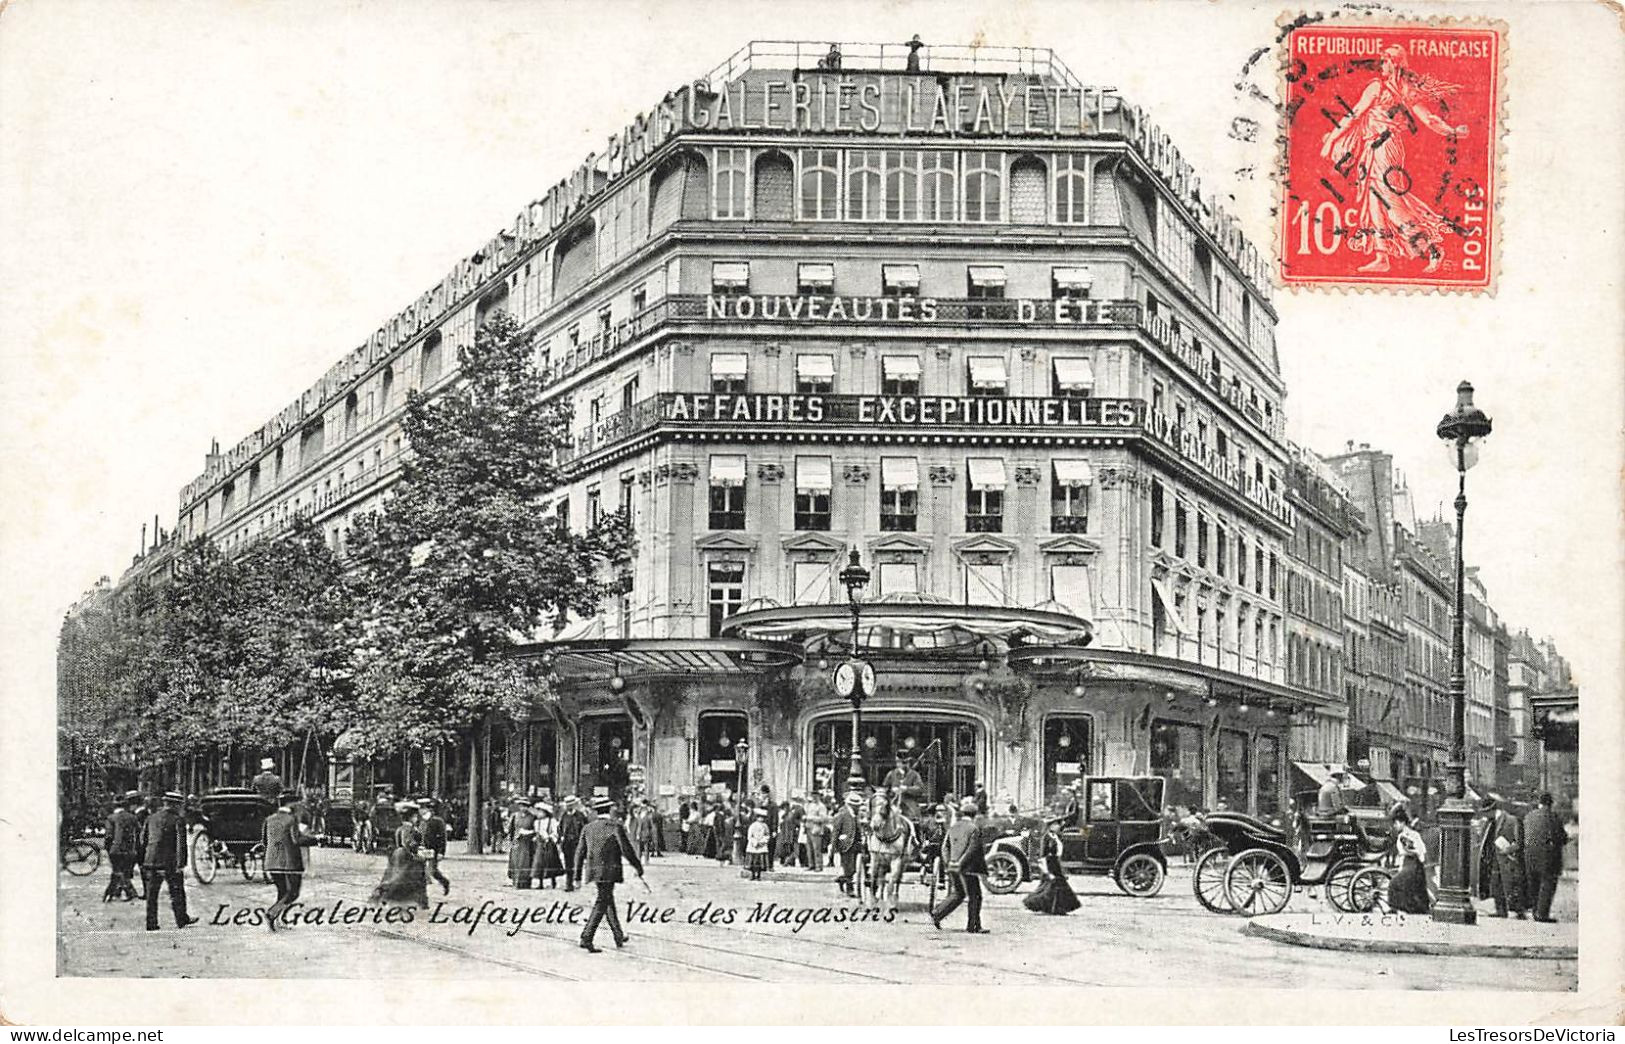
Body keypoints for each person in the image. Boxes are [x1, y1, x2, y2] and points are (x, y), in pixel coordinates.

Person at [1318, 45, 1468, 274]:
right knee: (1374, 200)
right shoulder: (1402, 89)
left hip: (1385, 148)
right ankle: (1382, 256)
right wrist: (1452, 130)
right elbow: (1430, 119)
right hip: (1374, 147)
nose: (1382, 65)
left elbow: (1354, 114)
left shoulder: (1380, 87)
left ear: (1394, 63)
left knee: (1390, 200)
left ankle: (1433, 249)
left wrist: (1331, 141)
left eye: (1385, 61)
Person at [575, 799, 644, 953]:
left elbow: (579, 852)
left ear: (596, 811)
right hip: (610, 871)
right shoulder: (615, 827)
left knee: (607, 899)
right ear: (610, 810)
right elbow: (626, 849)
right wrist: (637, 866)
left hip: (593, 870)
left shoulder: (588, 828)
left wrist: (577, 876)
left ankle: (618, 935)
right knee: (602, 901)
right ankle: (587, 937)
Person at [141, 792, 197, 932]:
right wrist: (181, 864)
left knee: (151, 894)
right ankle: (181, 919)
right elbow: (180, 844)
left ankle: (151, 923)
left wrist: (144, 860)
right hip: (169, 862)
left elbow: (143, 840)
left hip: (151, 861)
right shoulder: (178, 820)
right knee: (177, 891)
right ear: (175, 805)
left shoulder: (151, 818)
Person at [263, 789, 318, 931]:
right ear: (291, 804)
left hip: (271, 862)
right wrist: (316, 839)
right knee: (293, 893)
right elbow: (297, 840)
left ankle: (280, 920)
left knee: (282, 892)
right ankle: (272, 913)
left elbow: (264, 841)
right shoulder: (292, 819)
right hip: (290, 863)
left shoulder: (269, 819)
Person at [932, 797, 988, 933]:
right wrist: (960, 863)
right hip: (968, 869)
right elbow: (972, 849)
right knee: (975, 896)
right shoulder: (974, 829)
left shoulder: (953, 827)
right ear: (974, 815)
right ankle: (973, 926)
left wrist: (949, 862)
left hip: (952, 866)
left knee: (958, 893)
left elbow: (945, 847)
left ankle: (938, 913)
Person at [1475, 795, 1527, 919]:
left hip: (1507, 859)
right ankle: (1500, 910)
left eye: (1485, 813)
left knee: (1511, 885)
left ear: (1490, 811)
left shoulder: (1511, 820)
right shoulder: (1488, 823)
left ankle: (1515, 910)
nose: (1483, 816)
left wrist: (1507, 850)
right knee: (1496, 885)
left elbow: (1519, 842)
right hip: (1493, 860)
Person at [370, 801, 429, 909]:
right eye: (415, 816)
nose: (416, 818)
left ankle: (421, 902)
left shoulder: (405, 827)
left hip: (401, 855)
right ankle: (380, 895)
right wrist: (417, 849)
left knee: (405, 879)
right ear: (411, 817)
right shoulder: (407, 828)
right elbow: (406, 843)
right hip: (405, 857)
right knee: (398, 880)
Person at [1521, 793, 1568, 923]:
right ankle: (1542, 914)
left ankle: (1535, 911)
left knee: (1534, 884)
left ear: (1539, 803)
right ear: (1550, 803)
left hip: (1530, 856)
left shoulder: (1529, 816)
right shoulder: (1554, 817)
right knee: (1547, 885)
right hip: (1548, 858)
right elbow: (1562, 837)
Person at [1023, 819, 1081, 916]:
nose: (1058, 826)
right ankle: (1044, 905)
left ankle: (1056, 908)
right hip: (1049, 864)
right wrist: (1047, 872)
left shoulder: (1055, 837)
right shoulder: (1046, 838)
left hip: (1055, 864)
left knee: (1055, 886)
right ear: (1051, 826)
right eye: (1056, 824)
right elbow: (1042, 857)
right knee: (1050, 886)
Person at [1386, 804, 1431, 915]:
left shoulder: (1405, 836)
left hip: (1411, 864)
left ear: (1402, 823)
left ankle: (1398, 907)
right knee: (1412, 888)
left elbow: (1415, 850)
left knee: (1394, 884)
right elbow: (1422, 851)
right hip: (1414, 864)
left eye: (1396, 823)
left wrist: (1409, 851)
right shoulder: (1413, 833)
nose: (1395, 826)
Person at [102, 791, 143, 903]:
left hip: (115, 850)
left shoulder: (111, 818)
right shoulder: (133, 817)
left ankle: (127, 892)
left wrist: (107, 848)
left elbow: (109, 836)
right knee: (123, 872)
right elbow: (139, 832)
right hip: (130, 850)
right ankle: (115, 892)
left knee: (117, 872)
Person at [830, 791, 863, 897]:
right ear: (851, 805)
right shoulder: (842, 814)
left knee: (853, 867)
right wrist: (834, 846)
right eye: (856, 806)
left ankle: (842, 879)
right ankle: (850, 888)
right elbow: (835, 831)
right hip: (845, 844)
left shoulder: (856, 815)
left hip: (856, 844)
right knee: (848, 867)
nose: (858, 807)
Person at [420, 798, 451, 897]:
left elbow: (442, 838)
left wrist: (441, 852)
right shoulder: (421, 821)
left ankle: (445, 882)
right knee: (420, 870)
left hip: (434, 849)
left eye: (425, 808)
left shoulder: (438, 821)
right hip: (423, 849)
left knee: (433, 871)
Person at [531, 801, 564, 888]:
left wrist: (550, 838)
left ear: (545, 812)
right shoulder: (536, 822)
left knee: (551, 862)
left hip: (549, 844)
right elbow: (536, 832)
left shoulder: (552, 821)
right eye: (538, 811)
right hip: (540, 844)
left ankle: (553, 881)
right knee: (539, 863)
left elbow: (555, 832)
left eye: (540, 811)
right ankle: (540, 883)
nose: (539, 813)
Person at [558, 795, 588, 891]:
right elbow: (560, 828)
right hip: (567, 843)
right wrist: (560, 839)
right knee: (568, 863)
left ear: (574, 805)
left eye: (571, 805)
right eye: (567, 805)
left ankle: (577, 880)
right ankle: (568, 883)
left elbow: (585, 829)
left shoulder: (580, 815)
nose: (568, 807)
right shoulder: (564, 815)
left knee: (578, 862)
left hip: (578, 842)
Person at [507, 796, 537, 889]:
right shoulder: (515, 816)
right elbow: (511, 829)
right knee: (516, 862)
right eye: (521, 806)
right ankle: (516, 882)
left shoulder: (532, 817)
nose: (523, 808)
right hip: (517, 841)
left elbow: (535, 829)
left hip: (527, 843)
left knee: (526, 862)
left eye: (525, 806)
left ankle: (526, 883)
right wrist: (512, 839)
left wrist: (529, 834)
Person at [803, 792, 830, 872]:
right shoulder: (810, 805)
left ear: (818, 797)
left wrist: (811, 818)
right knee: (809, 848)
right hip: (808, 828)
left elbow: (824, 819)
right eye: (813, 796)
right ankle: (811, 864)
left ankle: (818, 865)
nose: (814, 798)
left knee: (817, 848)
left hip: (816, 828)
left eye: (815, 796)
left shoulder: (821, 806)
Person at [746, 808, 771, 881]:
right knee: (753, 861)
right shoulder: (753, 825)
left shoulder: (765, 826)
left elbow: (767, 835)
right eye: (759, 817)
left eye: (762, 817)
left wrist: (763, 841)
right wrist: (755, 842)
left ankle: (759, 875)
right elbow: (750, 836)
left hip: (762, 846)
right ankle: (753, 874)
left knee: (760, 862)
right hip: (753, 846)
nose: (761, 819)